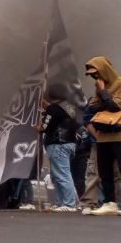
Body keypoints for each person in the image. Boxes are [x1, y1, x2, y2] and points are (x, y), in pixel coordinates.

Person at [85, 56, 121, 216]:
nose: (94, 77)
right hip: (103, 132)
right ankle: (109, 202)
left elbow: (115, 106)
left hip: (120, 132)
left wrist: (103, 93)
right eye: (91, 75)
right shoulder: (99, 85)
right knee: (104, 170)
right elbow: (92, 107)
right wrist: (103, 98)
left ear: (105, 70)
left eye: (96, 73)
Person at [40, 83, 79, 212]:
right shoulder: (70, 107)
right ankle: (62, 202)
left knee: (61, 174)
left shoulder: (54, 108)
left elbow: (45, 127)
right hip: (70, 143)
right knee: (59, 174)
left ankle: (68, 204)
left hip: (58, 143)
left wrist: (39, 127)